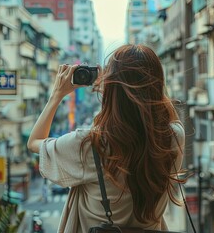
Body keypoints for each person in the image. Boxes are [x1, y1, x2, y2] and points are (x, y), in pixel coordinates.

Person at [27, 44, 186, 232]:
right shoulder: (173, 136)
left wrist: (56, 95)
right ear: (158, 85)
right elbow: (162, 113)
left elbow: (34, 142)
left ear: (110, 87)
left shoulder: (89, 144)